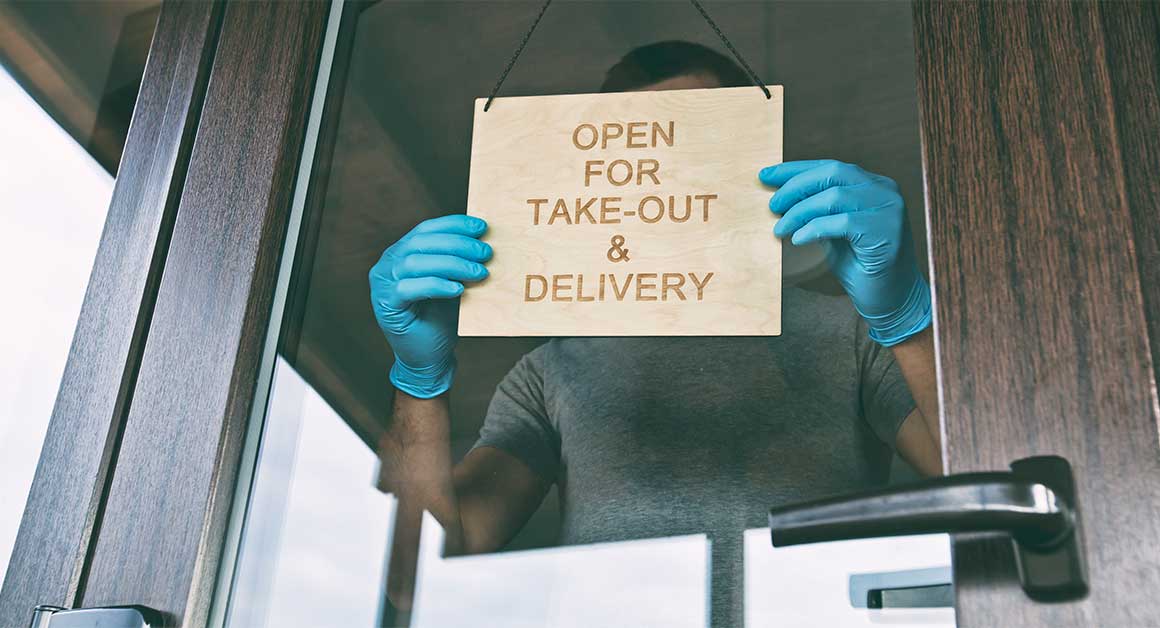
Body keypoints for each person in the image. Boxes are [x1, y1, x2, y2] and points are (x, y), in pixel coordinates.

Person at [369, 41, 940, 628]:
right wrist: (418, 384)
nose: (665, 168)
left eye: (693, 137)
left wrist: (904, 323)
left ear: (748, 154)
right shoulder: (550, 370)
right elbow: (416, 576)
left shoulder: (845, 334)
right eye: (643, 139)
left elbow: (975, 478)